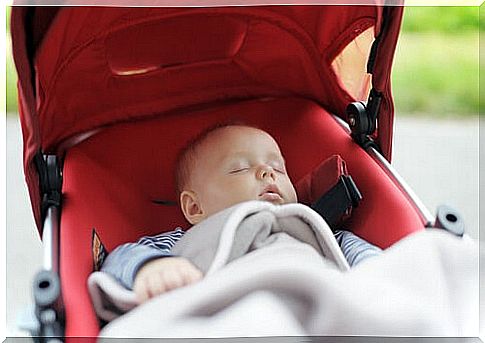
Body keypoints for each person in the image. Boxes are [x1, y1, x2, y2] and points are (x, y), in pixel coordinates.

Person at [101, 124, 382, 303]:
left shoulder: (319, 231)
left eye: (279, 168)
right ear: (195, 208)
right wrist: (151, 268)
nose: (267, 172)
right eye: (239, 168)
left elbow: (377, 267)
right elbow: (119, 258)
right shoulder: (176, 244)